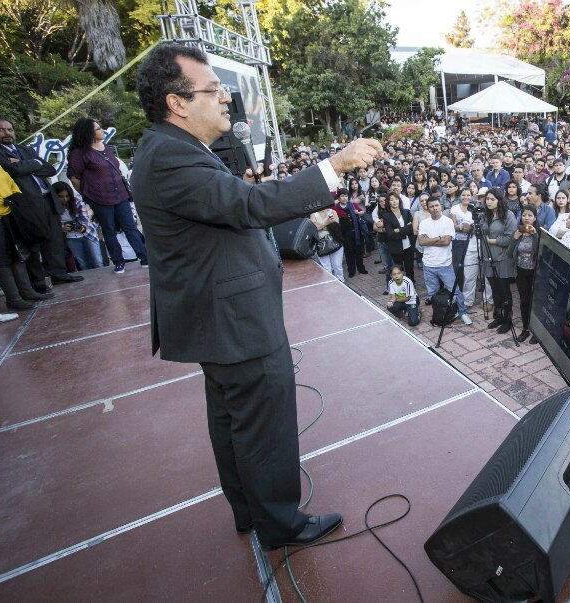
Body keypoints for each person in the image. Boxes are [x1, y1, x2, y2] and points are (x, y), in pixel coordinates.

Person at [131, 44, 382, 550]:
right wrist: (334, 166)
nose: (225, 98)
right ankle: (281, 524)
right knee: (264, 425)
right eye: (213, 90)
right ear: (177, 103)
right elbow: (248, 205)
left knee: (233, 419)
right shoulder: (169, 158)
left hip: (217, 316)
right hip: (233, 320)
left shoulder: (172, 150)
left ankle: (250, 509)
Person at [0, 117, 81, 286]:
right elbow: (13, 170)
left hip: (48, 200)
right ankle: (38, 282)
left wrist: (27, 163)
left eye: (10, 129)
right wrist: (35, 164)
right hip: (26, 204)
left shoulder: (25, 150)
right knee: (33, 243)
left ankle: (58, 273)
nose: (7, 133)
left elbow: (49, 169)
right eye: (1, 130)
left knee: (54, 239)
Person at [0, 129, 54, 310]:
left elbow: (10, 182)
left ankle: (27, 292)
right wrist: (6, 205)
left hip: (10, 211)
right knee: (2, 258)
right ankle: (13, 298)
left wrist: (15, 200)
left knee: (17, 253)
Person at [67, 117, 148, 274]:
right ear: (88, 132)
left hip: (120, 194)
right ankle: (118, 261)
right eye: (97, 128)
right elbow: (74, 177)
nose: (101, 130)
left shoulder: (106, 147)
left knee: (130, 226)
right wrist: (87, 193)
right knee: (109, 229)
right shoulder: (80, 153)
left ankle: (144, 256)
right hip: (99, 197)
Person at [419, 197, 472, 325]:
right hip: (428, 264)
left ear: (441, 206)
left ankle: (462, 312)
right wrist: (439, 238)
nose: (435, 208)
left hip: (445, 265)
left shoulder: (448, 222)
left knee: (455, 291)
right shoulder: (424, 223)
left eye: (437, 205)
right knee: (432, 293)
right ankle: (439, 314)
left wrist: (430, 240)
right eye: (432, 206)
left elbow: (446, 242)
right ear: (427, 208)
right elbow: (421, 242)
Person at [480, 188, 517, 333]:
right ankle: (499, 315)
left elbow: (511, 238)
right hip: (487, 257)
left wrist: (493, 241)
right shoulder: (484, 215)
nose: (488, 202)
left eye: (492, 199)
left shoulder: (508, 216)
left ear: (499, 200)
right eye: (487, 199)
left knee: (504, 290)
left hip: (502, 258)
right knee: (494, 289)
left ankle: (508, 320)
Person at [52, 181, 103, 270]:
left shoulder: (77, 201)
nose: (64, 199)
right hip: (70, 237)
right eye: (60, 196)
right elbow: (52, 223)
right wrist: (62, 228)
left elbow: (84, 218)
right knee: (83, 264)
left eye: (67, 196)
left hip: (88, 233)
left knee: (97, 262)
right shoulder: (51, 206)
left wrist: (81, 227)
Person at [512, 204, 540, 343]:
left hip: (535, 273)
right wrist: (515, 238)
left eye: (530, 215)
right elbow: (510, 252)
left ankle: (537, 331)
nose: (527, 218)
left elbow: (539, 250)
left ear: (535, 217)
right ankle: (525, 329)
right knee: (524, 301)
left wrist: (535, 234)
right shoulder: (519, 231)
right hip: (521, 271)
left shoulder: (539, 232)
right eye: (524, 215)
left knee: (535, 302)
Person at [383, 191, 416, 278]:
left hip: (408, 245)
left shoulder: (406, 212)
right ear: (388, 202)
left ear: (399, 200)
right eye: (392, 200)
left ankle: (411, 285)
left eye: (396, 199)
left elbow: (412, 228)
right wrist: (406, 229)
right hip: (396, 247)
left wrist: (398, 230)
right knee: (399, 270)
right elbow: (390, 234)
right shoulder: (386, 216)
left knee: (410, 268)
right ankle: (401, 288)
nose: (394, 201)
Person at [310, 206, 345, 281]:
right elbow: (314, 228)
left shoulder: (332, 211)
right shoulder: (313, 214)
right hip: (321, 245)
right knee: (326, 268)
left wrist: (321, 226)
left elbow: (336, 226)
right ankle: (330, 285)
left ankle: (341, 283)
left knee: (337, 266)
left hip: (336, 241)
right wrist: (327, 223)